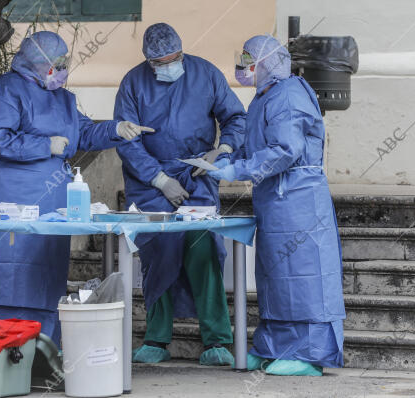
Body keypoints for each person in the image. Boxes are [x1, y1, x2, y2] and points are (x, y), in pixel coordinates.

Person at [0, 31, 153, 346]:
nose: (61, 70)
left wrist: (115, 128)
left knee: (46, 272)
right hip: (15, 197)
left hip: (53, 201)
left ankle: (46, 351)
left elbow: (83, 132)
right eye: (55, 65)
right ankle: (10, 349)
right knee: (14, 273)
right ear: (35, 63)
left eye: (64, 63)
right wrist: (44, 144)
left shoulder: (61, 98)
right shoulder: (5, 92)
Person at [209, 35, 345, 376]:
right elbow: (259, 144)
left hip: (299, 200)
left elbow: (286, 150)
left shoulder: (289, 95)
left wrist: (239, 169)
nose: (243, 68)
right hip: (275, 201)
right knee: (276, 278)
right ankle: (272, 346)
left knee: (303, 278)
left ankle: (309, 355)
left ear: (267, 62)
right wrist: (224, 157)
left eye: (248, 61)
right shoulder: (264, 97)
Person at [114, 23, 246, 366]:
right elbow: (127, 140)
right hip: (149, 181)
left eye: (174, 59)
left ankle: (217, 340)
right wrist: (159, 180)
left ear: (182, 52)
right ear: (148, 61)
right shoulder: (132, 83)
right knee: (159, 252)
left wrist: (223, 151)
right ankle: (157, 339)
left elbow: (235, 117)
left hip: (197, 173)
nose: (168, 66)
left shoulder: (206, 74)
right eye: (159, 63)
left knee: (203, 249)